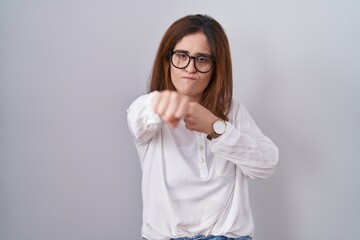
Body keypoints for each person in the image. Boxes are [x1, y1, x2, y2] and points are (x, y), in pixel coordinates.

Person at [127, 14, 279, 240]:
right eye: (181, 56)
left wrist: (216, 129)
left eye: (202, 59)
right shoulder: (146, 109)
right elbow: (141, 116)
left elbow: (267, 164)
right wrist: (163, 103)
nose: (190, 68)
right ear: (166, 59)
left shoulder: (231, 111)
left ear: (216, 67)